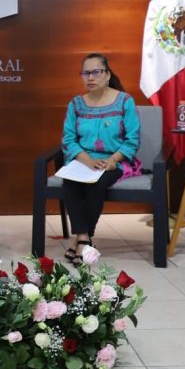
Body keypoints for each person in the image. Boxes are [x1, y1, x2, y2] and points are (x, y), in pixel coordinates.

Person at [61, 52, 140, 265]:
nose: (90, 77)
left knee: (95, 183)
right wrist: (87, 160)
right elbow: (68, 139)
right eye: (85, 73)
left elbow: (132, 138)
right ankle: (83, 238)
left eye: (96, 72)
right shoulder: (76, 104)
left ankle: (81, 240)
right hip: (83, 161)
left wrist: (113, 160)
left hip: (115, 161)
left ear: (107, 75)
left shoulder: (124, 101)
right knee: (70, 182)